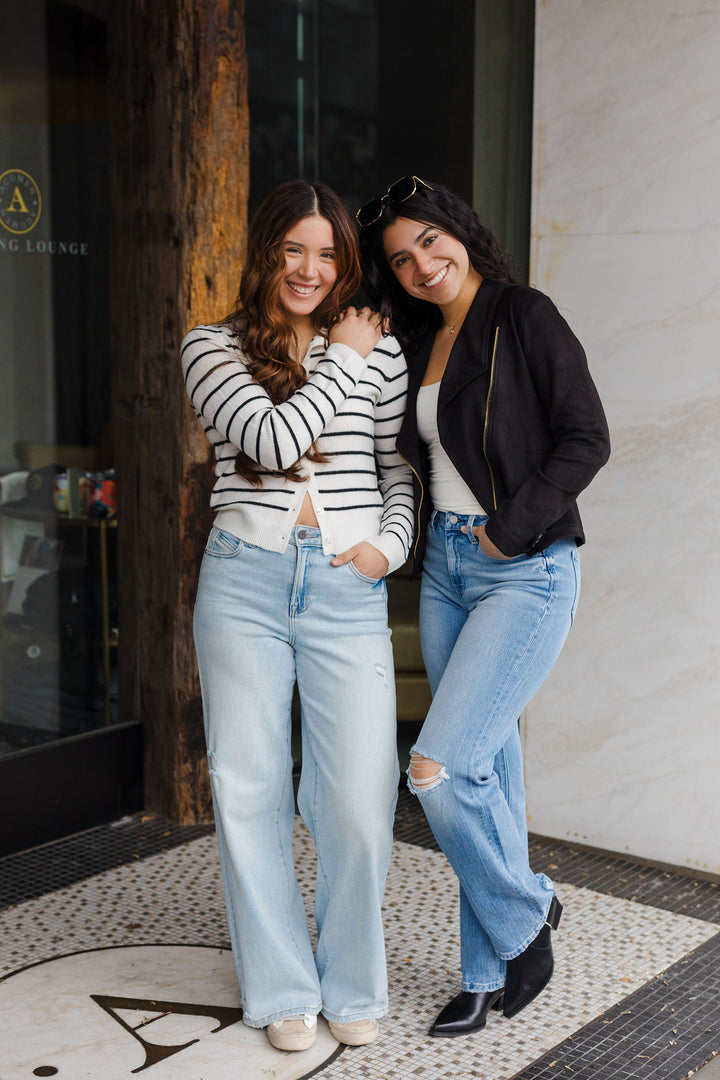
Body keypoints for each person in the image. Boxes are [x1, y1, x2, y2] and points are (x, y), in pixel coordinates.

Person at [357, 176, 610, 1037]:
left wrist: (509, 529)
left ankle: (529, 912)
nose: (422, 263)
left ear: (459, 231)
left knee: (432, 771)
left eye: (431, 241)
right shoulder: (424, 339)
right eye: (402, 258)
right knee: (486, 776)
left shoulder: (523, 314)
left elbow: (588, 437)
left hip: (524, 569)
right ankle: (481, 973)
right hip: (445, 574)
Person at [181, 179, 414, 1052]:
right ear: (265, 253)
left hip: (346, 587)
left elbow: (396, 469)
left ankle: (352, 979)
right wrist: (341, 362)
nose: (310, 270)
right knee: (250, 789)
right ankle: (282, 988)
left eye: (327, 254)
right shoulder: (212, 347)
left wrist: (389, 546)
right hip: (243, 581)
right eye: (293, 250)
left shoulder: (380, 350)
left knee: (358, 797)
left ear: (343, 261)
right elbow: (272, 444)